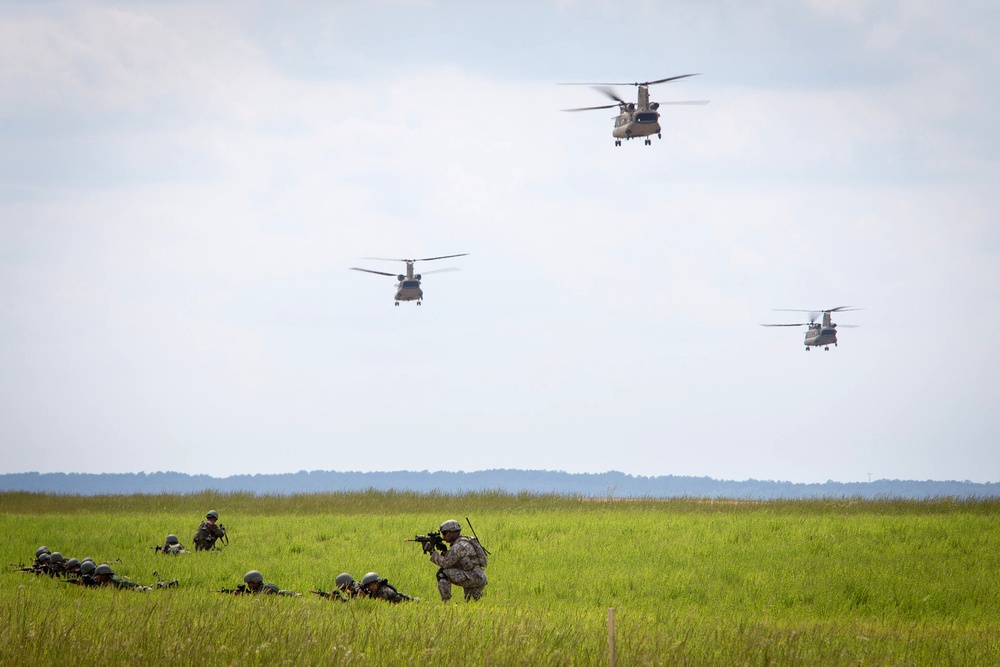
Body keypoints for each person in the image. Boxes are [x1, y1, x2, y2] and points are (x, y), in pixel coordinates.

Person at [427, 519, 488, 602]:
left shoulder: (458, 546)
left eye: (445, 533)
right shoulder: (464, 542)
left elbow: (445, 564)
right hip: (478, 576)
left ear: (454, 532)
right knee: (471, 603)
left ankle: (446, 602)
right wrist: (445, 551)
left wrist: (432, 552)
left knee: (442, 573)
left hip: (472, 576)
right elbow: (456, 562)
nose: (443, 536)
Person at [231, 570, 299, 596]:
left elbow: (260, 599)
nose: (248, 586)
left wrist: (245, 595)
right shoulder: (258, 589)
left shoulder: (266, 589)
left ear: (255, 582)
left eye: (249, 583)